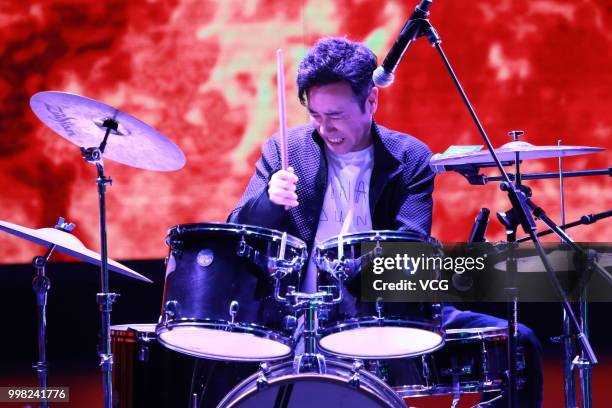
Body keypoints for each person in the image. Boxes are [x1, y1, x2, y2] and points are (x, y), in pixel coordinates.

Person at [225, 37, 542, 407]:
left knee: (519, 343)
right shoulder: (285, 149)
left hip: (384, 308)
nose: (326, 128)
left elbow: (408, 243)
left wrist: (350, 277)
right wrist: (269, 201)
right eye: (316, 115)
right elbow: (239, 231)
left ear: (371, 100)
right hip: (299, 315)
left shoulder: (408, 156)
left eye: (337, 115)